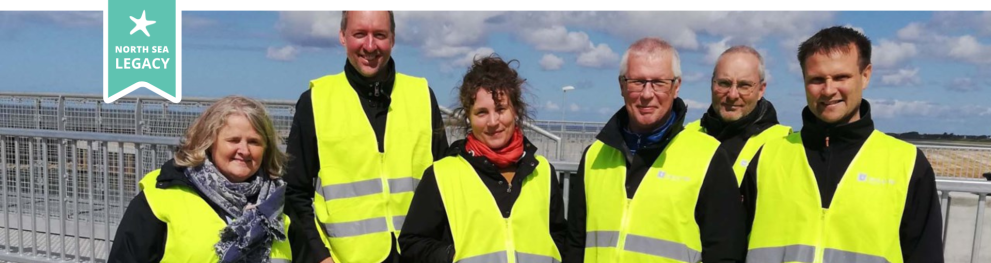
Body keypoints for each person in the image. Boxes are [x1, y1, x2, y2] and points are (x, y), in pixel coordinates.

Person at [741, 26, 944, 263]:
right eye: (817, 80)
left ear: (865, 75)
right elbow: (732, 247)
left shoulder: (907, 163)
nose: (828, 90)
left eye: (841, 77)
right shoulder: (768, 157)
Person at [283, 10, 449, 263]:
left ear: (392, 38)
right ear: (342, 36)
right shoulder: (315, 101)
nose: (370, 46)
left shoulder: (422, 96)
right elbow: (295, 194)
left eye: (379, 35)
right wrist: (319, 257)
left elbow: (445, 185)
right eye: (360, 34)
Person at [565, 37, 746, 263]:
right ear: (622, 85)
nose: (647, 94)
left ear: (676, 86)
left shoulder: (708, 156)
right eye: (637, 82)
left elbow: (725, 253)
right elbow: (575, 244)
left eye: (659, 83)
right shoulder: (594, 155)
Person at [398, 55, 568, 263]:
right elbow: (412, 243)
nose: (493, 122)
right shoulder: (442, 175)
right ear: (468, 116)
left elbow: (560, 238)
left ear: (515, 110)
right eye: (481, 113)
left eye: (501, 109)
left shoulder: (543, 172)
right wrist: (452, 256)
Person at [109, 95, 292, 262]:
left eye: (254, 142)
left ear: (266, 149)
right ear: (209, 142)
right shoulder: (160, 198)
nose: (244, 150)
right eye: (233, 140)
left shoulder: (279, 204)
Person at [684, 45, 792, 184]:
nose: (732, 95)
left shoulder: (781, 143)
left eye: (744, 85)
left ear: (761, 90)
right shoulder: (687, 134)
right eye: (724, 83)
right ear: (712, 84)